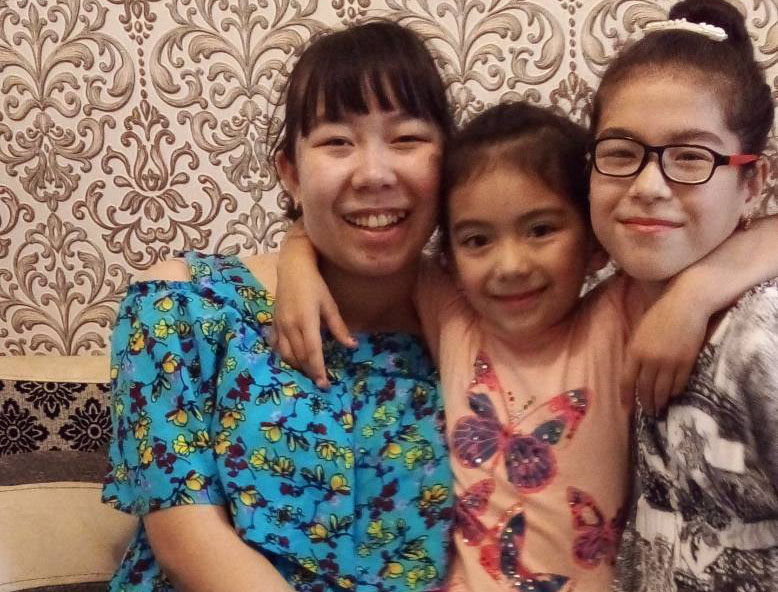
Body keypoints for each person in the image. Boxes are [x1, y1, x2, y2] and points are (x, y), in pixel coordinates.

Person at [271, 94, 778, 590]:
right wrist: (295, 258)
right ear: (449, 259)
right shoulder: (452, 317)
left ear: (595, 244)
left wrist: (694, 293)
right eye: (477, 240)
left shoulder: (618, 317)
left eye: (540, 230)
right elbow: (350, 239)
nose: (510, 265)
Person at [101, 21, 455, 592]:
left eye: (407, 138)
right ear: (290, 173)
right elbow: (186, 539)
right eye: (337, 142)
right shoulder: (185, 307)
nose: (374, 173)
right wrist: (298, 246)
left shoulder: (477, 329)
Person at [585, 0, 778, 589]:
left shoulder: (762, 339)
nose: (648, 185)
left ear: (753, 182)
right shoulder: (610, 307)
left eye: (691, 157)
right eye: (620, 153)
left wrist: (695, 294)